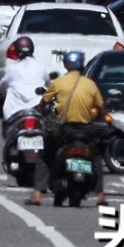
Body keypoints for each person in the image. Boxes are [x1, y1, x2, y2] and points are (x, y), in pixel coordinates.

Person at [31, 50, 107, 207]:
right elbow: (101, 108)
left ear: (66, 64)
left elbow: (43, 104)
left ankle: (37, 194)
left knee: (45, 154)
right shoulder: (90, 84)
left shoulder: (58, 83)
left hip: (61, 126)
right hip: (85, 129)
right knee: (96, 157)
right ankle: (100, 195)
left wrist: (45, 113)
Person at [0, 36, 51, 121]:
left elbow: (2, 84)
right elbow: (48, 83)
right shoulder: (40, 66)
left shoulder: (12, 68)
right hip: (36, 108)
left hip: (15, 112)